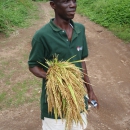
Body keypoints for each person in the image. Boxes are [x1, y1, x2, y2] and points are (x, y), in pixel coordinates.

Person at [28, 0, 99, 129]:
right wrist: (55, 76)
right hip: (55, 105)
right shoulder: (42, 36)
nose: (72, 5)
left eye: (74, 1)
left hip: (78, 99)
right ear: (53, 5)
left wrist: (90, 90)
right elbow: (33, 65)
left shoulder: (80, 29)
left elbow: (81, 61)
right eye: (66, 1)